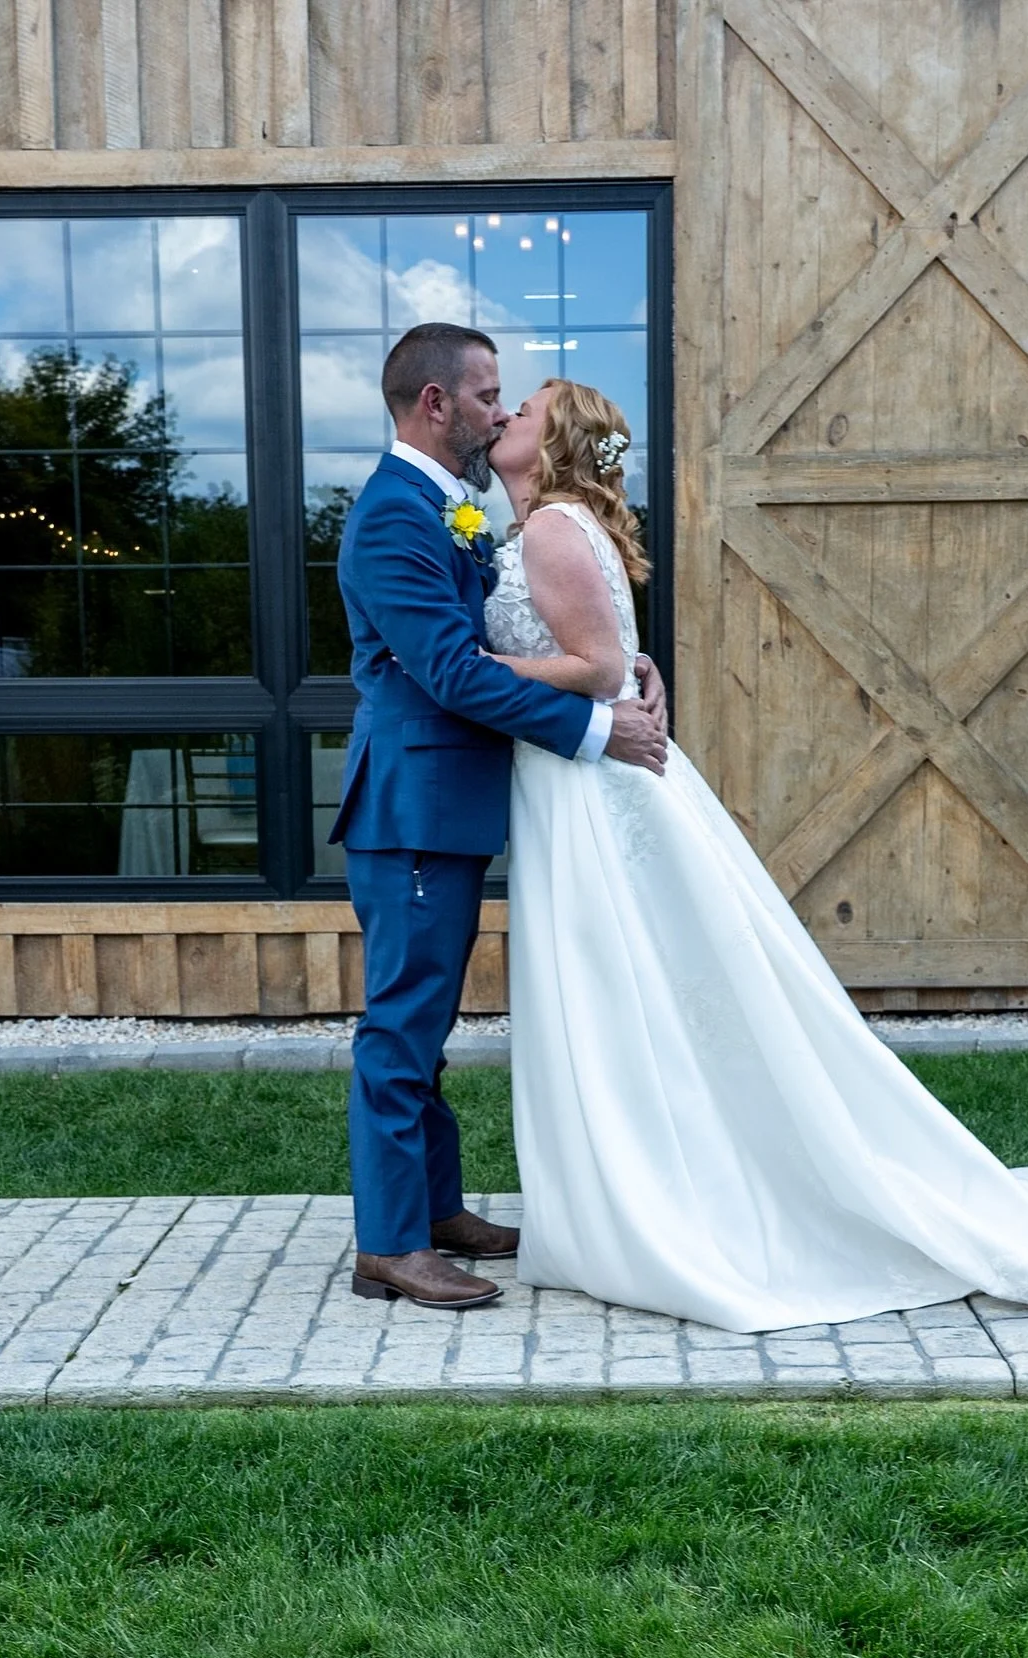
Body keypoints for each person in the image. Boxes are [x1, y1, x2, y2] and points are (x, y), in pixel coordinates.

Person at [481, 376, 1028, 1332]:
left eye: (522, 408)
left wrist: (474, 668)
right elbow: (621, 662)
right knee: (631, 984)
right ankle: (631, 1188)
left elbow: (601, 668)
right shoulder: (566, 525)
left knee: (616, 981)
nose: (506, 416)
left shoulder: (550, 531)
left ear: (556, 438)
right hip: (581, 776)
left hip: (587, 789)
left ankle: (657, 1200)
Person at [330, 324, 668, 1312]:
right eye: (487, 395)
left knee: (423, 1029)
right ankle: (389, 1245)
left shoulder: (455, 512)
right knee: (401, 1029)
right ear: (437, 405)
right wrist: (599, 730)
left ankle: (435, 1209)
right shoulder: (397, 516)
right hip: (414, 812)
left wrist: (624, 670)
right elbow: (448, 674)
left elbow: (547, 641)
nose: (497, 409)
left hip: (447, 810)